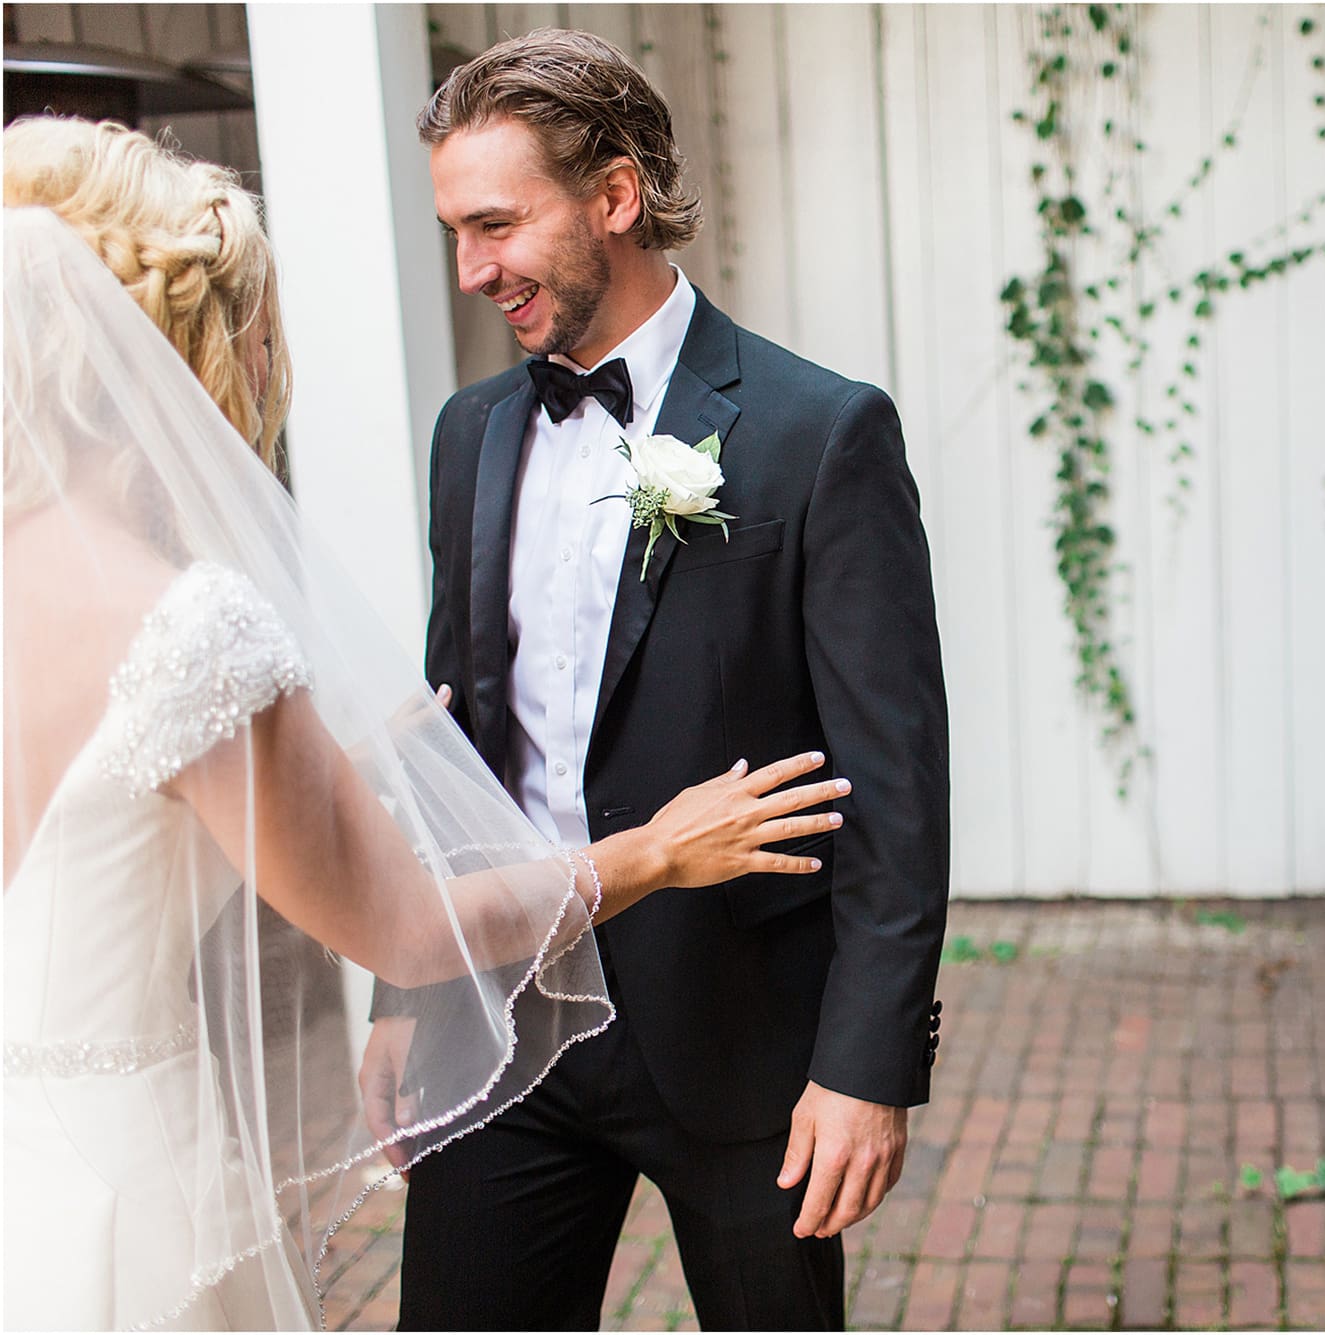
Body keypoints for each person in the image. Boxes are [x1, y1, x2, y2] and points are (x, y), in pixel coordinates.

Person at [1, 118, 845, 1330]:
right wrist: (654, 851)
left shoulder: (817, 426)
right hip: (132, 1195)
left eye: (491, 225)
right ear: (176, 352)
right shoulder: (187, 628)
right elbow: (398, 921)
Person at [363, 27, 952, 1331]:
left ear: (615, 197)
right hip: (507, 1026)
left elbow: (898, 786)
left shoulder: (818, 434)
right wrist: (411, 990)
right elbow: (448, 746)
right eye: (457, 231)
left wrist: (867, 1067)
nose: (472, 269)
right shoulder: (471, 436)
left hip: (746, 1040)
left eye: (496, 224)